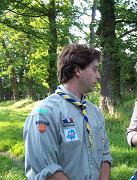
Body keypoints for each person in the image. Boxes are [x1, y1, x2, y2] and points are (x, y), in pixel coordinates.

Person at [23, 43, 112, 180]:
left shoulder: (95, 112)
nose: (98, 76)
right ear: (77, 71)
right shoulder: (44, 113)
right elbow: (47, 170)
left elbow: (105, 156)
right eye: (95, 69)